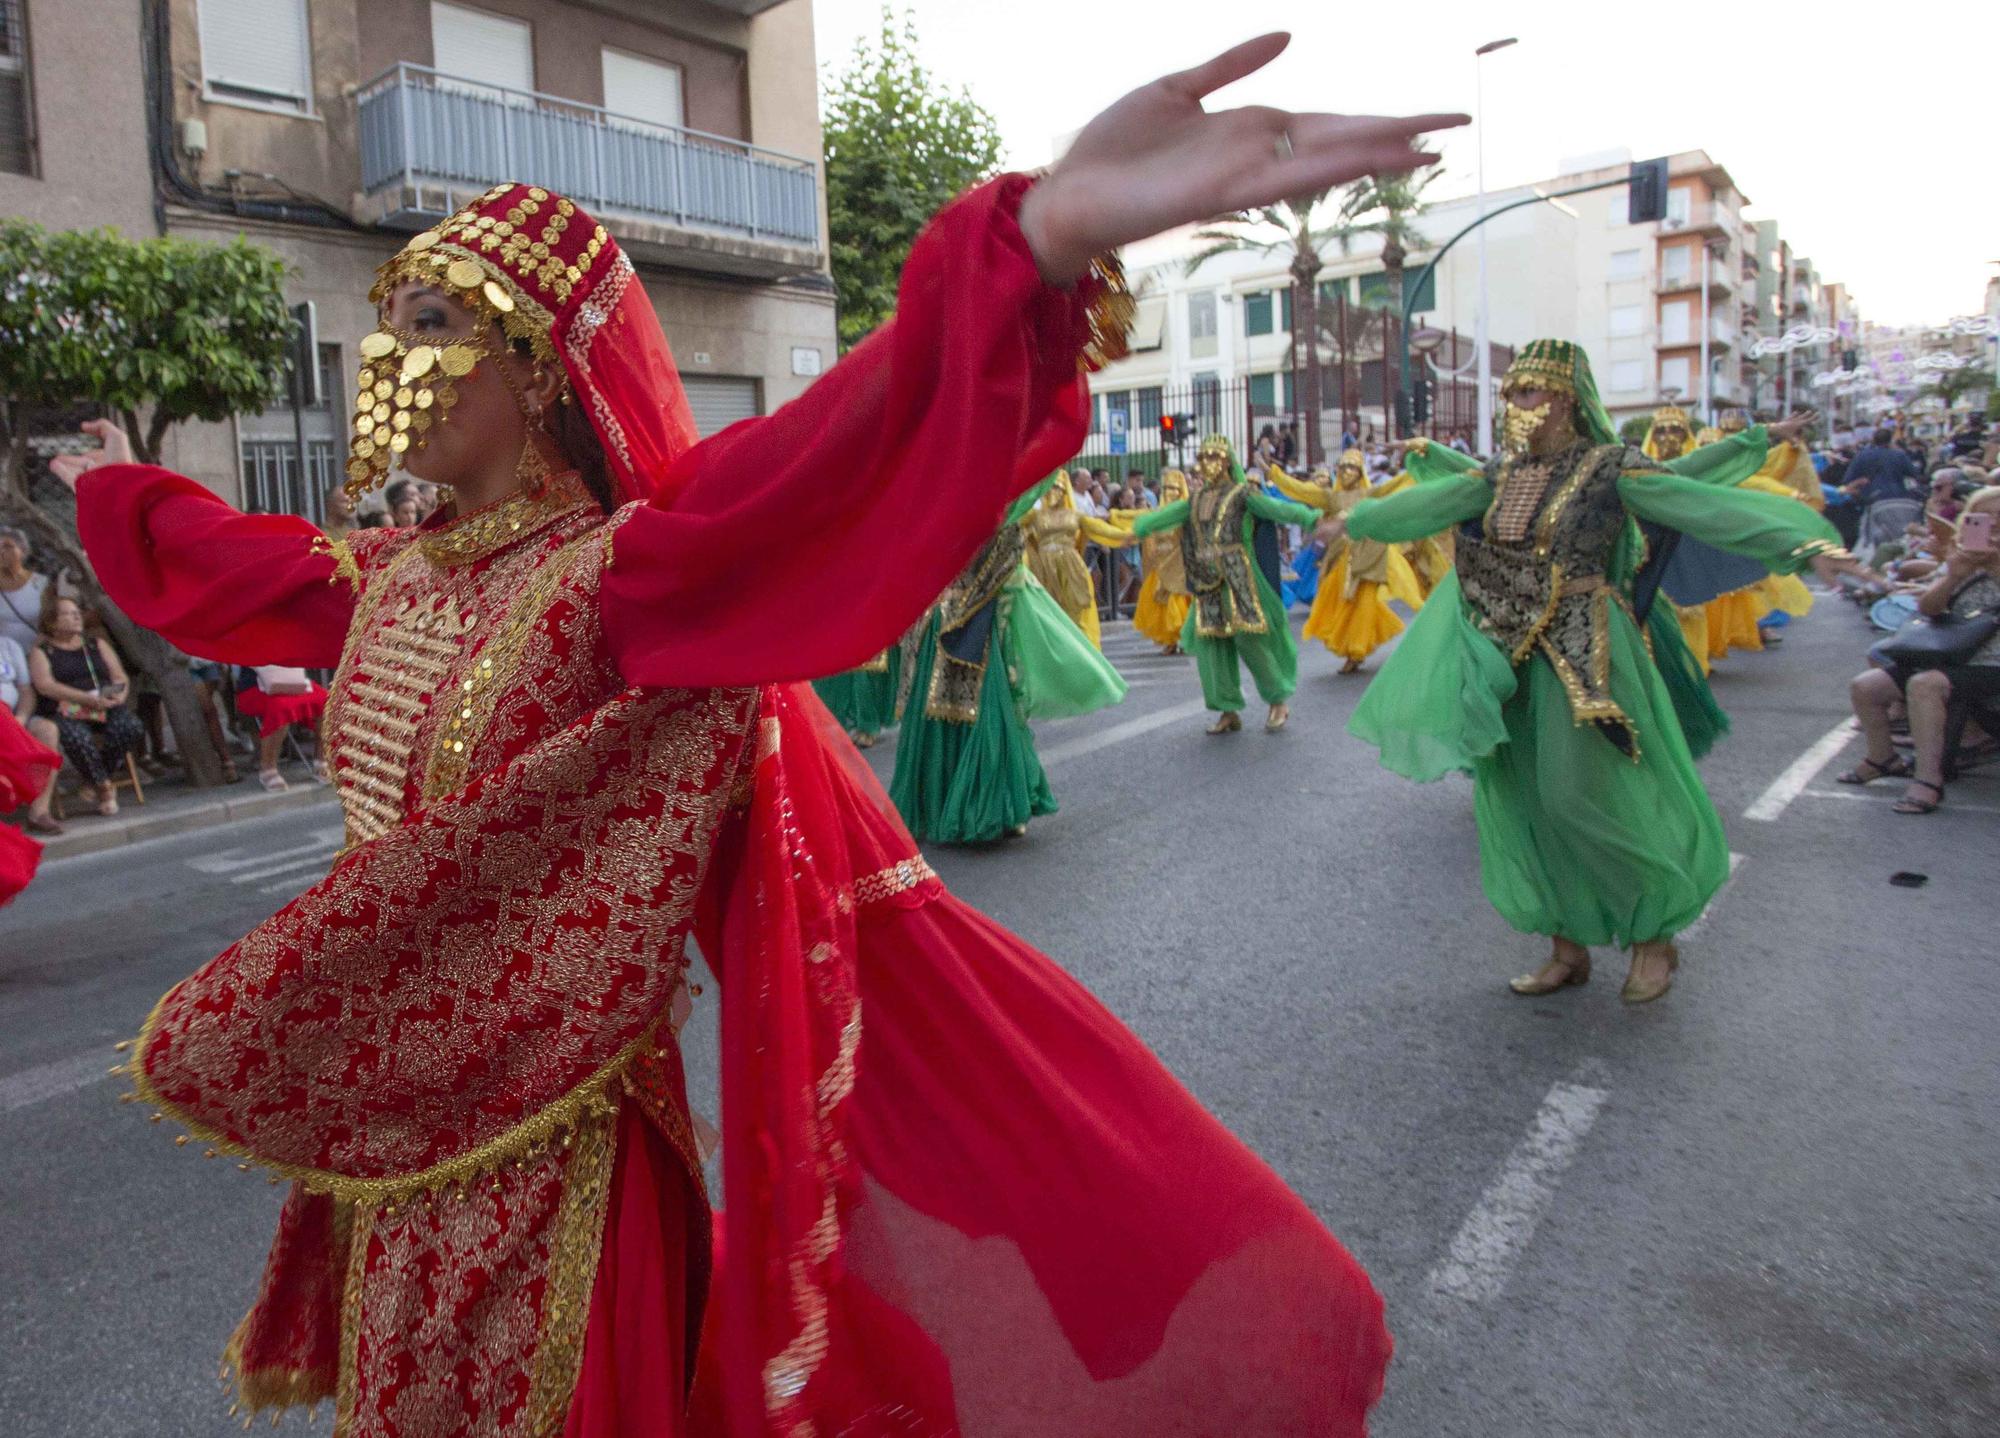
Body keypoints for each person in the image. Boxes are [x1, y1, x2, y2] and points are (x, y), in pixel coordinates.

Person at [64, 44, 1461, 1435]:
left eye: (437, 318)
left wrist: (1031, 241)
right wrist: (104, 482)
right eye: (399, 312)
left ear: (539, 366)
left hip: (554, 1154)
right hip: (395, 1135)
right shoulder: (391, 570)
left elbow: (825, 460)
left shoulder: (626, 576)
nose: (392, 349)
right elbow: (221, 558)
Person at [1344, 340, 1864, 1004]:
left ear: (1564, 398)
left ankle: (1653, 937)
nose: (1515, 405)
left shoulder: (1610, 467)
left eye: (1527, 392)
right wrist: (1352, 518)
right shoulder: (1499, 474)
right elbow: (1423, 505)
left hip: (1588, 645)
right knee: (1525, 797)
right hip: (1507, 652)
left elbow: (1700, 501)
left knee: (1580, 793)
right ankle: (1567, 947)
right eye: (1512, 393)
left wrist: (1804, 542)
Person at [891, 477, 1127, 843]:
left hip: (971, 620)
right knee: (945, 711)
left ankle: (987, 803)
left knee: (982, 711)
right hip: (944, 618)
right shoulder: (933, 505)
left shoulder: (991, 509)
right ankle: (946, 804)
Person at [1130, 433, 1321, 732]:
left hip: (1240, 578)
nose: (1207, 463)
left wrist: (1312, 519)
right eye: (1203, 457)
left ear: (1227, 461)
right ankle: (1227, 708)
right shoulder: (1195, 500)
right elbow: (1164, 515)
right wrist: (1139, 528)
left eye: (1214, 456)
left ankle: (1278, 701)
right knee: (1210, 646)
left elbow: (1278, 509)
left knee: (1252, 642)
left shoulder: (1243, 495)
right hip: (1206, 582)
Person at [1840, 484, 2000, 815]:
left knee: (1925, 684)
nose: (1994, 526)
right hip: (1953, 653)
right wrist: (1954, 575)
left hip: (1992, 661)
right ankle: (1882, 758)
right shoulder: (1962, 557)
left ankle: (1929, 779)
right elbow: (1928, 609)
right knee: (1866, 686)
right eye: (1985, 519)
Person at [1271, 451, 1423, 674]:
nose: (1347, 472)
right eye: (1342, 468)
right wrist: (1274, 474)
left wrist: (1417, 467)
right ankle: (1360, 641)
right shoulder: (1333, 498)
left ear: (1360, 472)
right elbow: (1303, 492)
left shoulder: (1371, 494)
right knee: (1336, 601)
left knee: (1363, 603)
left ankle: (1355, 650)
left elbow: (1397, 487)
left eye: (1352, 468)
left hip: (1368, 559)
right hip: (1341, 559)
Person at [28, 594, 144, 817]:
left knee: (130, 727)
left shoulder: (95, 644)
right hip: (67, 710)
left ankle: (95, 783)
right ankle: (105, 789)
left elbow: (119, 676)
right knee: (76, 737)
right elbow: (45, 686)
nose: (76, 617)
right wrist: (84, 698)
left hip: (103, 705)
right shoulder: (42, 652)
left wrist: (119, 695)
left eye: (77, 613)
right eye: (68, 614)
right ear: (52, 621)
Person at [1021, 470, 1128, 647]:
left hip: (1071, 565)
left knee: (1076, 605)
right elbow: (1012, 525)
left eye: (1058, 488)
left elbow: (1100, 529)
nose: (1054, 492)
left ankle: (1080, 647)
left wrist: (1126, 535)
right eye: (1051, 488)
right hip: (1045, 568)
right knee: (1050, 609)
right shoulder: (1035, 516)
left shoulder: (1075, 515)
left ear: (1065, 490)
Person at [1122, 466, 1193, 652]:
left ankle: (1184, 637)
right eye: (1167, 489)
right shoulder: (1157, 514)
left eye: (1174, 489)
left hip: (1180, 563)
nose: (1170, 493)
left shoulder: (1186, 514)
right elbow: (1146, 530)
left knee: (1180, 599)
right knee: (1159, 599)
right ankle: (1169, 640)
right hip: (1161, 563)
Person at [0, 524, 51, 659]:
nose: (1, 551)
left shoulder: (41, 583)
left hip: (37, 654)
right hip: (4, 659)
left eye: (7, 546)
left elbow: (49, 623)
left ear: (22, 550)